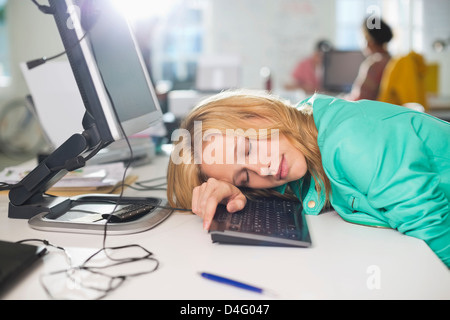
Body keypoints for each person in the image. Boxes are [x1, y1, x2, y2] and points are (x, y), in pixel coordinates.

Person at [167, 89, 450, 268]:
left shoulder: (349, 140)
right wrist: (232, 189)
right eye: (244, 177)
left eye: (249, 148)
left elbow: (438, 239)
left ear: (259, 113)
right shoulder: (305, 135)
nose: (262, 169)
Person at [346, 16, 393, 101]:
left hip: (370, 113)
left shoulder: (374, 65)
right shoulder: (393, 61)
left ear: (368, 39)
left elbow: (359, 100)